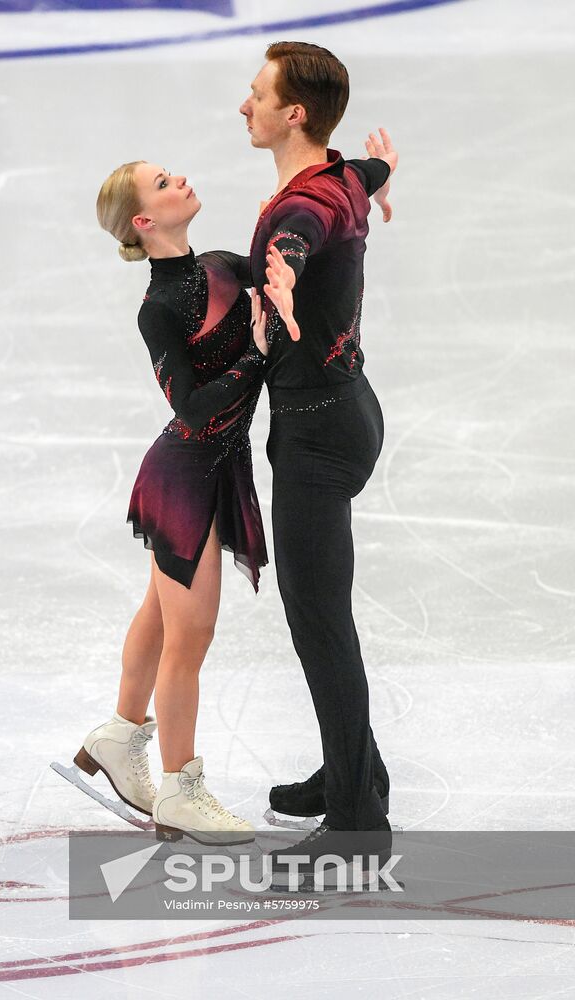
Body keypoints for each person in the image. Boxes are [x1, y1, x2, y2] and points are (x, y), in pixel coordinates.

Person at [74, 159, 280, 845]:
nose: (179, 180)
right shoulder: (159, 307)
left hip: (215, 469)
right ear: (143, 221)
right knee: (189, 635)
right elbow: (190, 407)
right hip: (185, 474)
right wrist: (253, 356)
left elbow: (282, 270)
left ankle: (118, 735)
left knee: (160, 617)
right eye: (162, 184)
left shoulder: (221, 265)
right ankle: (180, 790)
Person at [238, 41, 398, 871]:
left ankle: (355, 819)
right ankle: (354, 768)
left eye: (257, 94)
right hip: (345, 412)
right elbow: (356, 188)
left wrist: (286, 275)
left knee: (319, 625)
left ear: (292, 113)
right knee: (319, 618)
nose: (245, 106)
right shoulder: (340, 175)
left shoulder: (297, 208)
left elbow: (301, 234)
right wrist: (381, 171)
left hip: (316, 433)